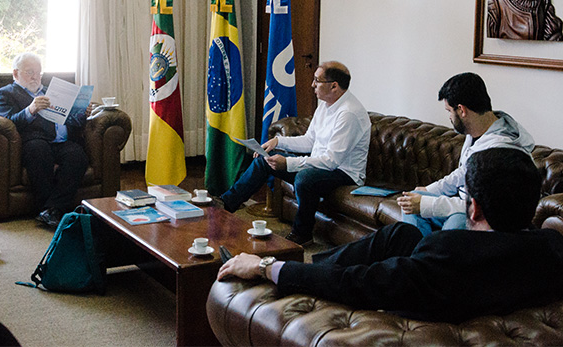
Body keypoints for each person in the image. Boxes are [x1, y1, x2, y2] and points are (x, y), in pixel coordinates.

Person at [217, 147, 563, 324]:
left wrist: (265, 267)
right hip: (497, 277)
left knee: (346, 272)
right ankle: (320, 264)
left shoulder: (447, 254)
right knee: (398, 234)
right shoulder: (551, 246)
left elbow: (360, 283)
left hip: (431, 305)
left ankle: (308, 275)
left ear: (472, 209)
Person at [220, 61, 371, 245]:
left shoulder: (349, 114)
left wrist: (288, 163)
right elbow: (310, 141)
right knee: (264, 161)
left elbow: (331, 161)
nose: (312, 84)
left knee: (306, 179)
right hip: (322, 164)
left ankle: (302, 235)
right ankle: (225, 205)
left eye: (317, 80)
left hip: (345, 173)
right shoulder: (325, 104)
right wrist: (278, 141)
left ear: (334, 86)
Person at [396, 72, 534, 236]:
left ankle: (429, 256)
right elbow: (462, 173)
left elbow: (483, 208)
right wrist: (427, 190)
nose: (448, 117)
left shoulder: (500, 149)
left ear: (461, 110)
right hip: (462, 203)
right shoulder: (476, 132)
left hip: (478, 213)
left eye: (449, 111)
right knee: (412, 200)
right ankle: (420, 255)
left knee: (457, 222)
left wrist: (428, 203)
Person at [0, 52, 93, 229]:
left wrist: (82, 113)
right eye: (29, 72)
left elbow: (72, 122)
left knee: (78, 156)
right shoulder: (6, 94)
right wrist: (30, 110)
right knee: (39, 150)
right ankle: (52, 209)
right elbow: (7, 123)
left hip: (61, 142)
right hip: (34, 141)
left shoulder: (51, 91)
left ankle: (51, 209)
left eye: (38, 73)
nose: (35, 77)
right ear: (16, 74)